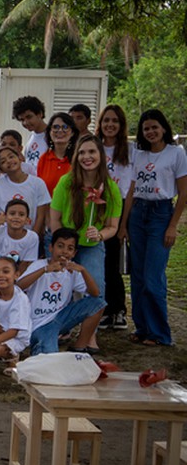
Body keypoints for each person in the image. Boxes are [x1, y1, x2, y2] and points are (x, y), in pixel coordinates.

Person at [49, 134, 121, 352]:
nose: (86, 157)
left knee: (96, 287)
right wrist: (60, 246)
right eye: (82, 152)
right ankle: (60, 326)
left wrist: (99, 235)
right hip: (65, 242)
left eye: (92, 152)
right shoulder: (67, 182)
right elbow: (55, 218)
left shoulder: (110, 188)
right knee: (61, 286)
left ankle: (90, 334)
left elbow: (112, 227)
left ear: (101, 155)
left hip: (91, 246)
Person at [122, 109, 187, 347]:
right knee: (137, 276)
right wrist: (124, 225)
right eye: (146, 128)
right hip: (138, 213)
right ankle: (142, 328)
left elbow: (184, 193)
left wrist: (172, 226)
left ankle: (160, 333)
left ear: (163, 128)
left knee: (152, 277)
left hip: (161, 214)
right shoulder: (137, 155)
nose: (150, 132)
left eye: (154, 127)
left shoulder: (176, 153)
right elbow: (130, 191)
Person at [17, 228, 106, 355]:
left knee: (98, 303)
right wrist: (45, 270)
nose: (64, 251)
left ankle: (79, 347)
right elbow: (19, 286)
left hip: (60, 318)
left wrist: (83, 271)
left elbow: (95, 294)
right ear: (51, 248)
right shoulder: (39, 265)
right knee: (49, 357)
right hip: (39, 324)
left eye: (70, 248)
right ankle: (39, 346)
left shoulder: (72, 270)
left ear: (74, 253)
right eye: (60, 246)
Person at [95, 105, 134, 330]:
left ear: (121, 125)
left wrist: (122, 224)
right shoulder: (94, 147)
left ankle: (118, 310)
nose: (110, 125)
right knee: (99, 263)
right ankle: (103, 310)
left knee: (113, 264)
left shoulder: (130, 150)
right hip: (96, 209)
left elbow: (131, 189)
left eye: (115, 121)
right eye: (106, 120)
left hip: (119, 210)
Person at [0, 146, 50, 243]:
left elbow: (41, 216)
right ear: (0, 170)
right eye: (3, 161)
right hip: (3, 240)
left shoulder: (37, 183)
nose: (8, 161)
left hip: (29, 238)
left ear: (19, 158)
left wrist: (33, 238)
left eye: (11, 157)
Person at [36, 112, 80, 196]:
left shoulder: (79, 158)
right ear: (49, 132)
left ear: (72, 132)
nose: (60, 131)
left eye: (65, 127)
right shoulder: (43, 159)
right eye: (55, 127)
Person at [12, 95, 48, 173]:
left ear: (40, 114)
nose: (26, 122)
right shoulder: (31, 137)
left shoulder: (53, 137)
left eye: (29, 117)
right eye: (22, 120)